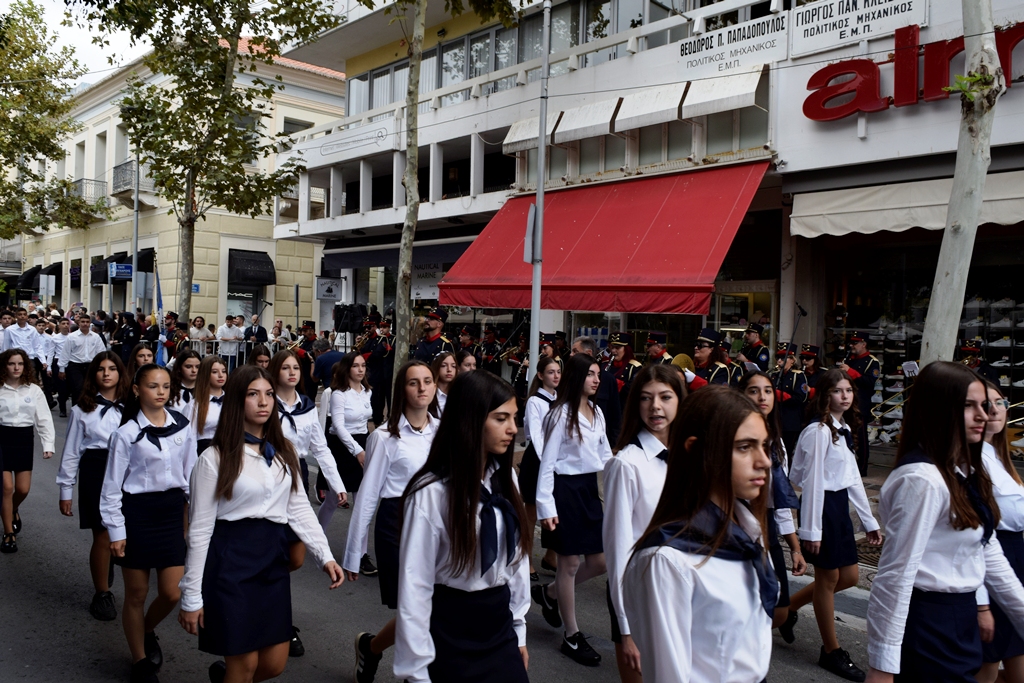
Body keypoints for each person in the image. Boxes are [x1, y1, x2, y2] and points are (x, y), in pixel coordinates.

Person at [177, 366, 343, 683]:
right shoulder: (214, 458)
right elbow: (199, 532)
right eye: (253, 394)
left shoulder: (285, 453)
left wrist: (325, 555)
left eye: (268, 394)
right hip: (230, 565)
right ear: (238, 401)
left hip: (272, 563)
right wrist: (191, 597)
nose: (264, 402)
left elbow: (299, 508)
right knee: (244, 666)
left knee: (275, 665)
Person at [866, 361, 1024, 683]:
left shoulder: (960, 471)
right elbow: (896, 574)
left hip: (958, 619)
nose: (984, 415)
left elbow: (987, 554)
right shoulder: (923, 479)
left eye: (984, 405)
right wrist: (881, 665)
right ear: (939, 408)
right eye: (969, 406)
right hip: (931, 623)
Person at [621, 386, 774, 683]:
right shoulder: (667, 561)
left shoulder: (746, 534)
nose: (764, 461)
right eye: (744, 447)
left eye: (764, 445)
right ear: (695, 449)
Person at [393, 370, 530, 683]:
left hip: (498, 625)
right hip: (450, 628)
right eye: (501, 418)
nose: (512, 429)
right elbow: (415, 587)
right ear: (471, 419)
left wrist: (519, 630)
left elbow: (517, 560)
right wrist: (416, 672)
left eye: (514, 417)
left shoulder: (505, 478)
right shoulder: (432, 492)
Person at [101, 364, 198, 683]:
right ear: (136, 390)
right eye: (153, 386)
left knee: (172, 592)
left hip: (170, 512)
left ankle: (147, 629)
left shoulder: (183, 426)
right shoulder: (126, 433)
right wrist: (116, 531)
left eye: (166, 386)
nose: (160, 392)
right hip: (138, 513)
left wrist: (194, 517)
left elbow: (191, 475)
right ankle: (140, 659)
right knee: (137, 593)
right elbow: (112, 486)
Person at [348, 360, 437, 683]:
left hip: (434, 525)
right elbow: (368, 495)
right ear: (402, 389)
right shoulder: (385, 436)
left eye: (428, 381)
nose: (423, 388)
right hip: (396, 525)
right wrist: (354, 554)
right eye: (414, 382)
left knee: (426, 610)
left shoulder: (443, 430)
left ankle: (371, 648)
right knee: (415, 613)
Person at [789, 368, 881, 681]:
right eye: (838, 390)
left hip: (838, 507)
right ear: (825, 395)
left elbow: (853, 478)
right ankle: (831, 650)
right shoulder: (818, 431)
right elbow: (809, 482)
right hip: (822, 507)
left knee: (850, 577)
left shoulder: (841, 428)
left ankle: (788, 609)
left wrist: (869, 521)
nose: (845, 396)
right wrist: (810, 531)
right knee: (828, 580)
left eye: (848, 390)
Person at [603, 365, 684, 683]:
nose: (656, 407)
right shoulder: (626, 464)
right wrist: (626, 628)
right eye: (647, 398)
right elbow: (617, 549)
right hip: (640, 594)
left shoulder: (687, 458)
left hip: (680, 590)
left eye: (666, 397)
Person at [534, 353, 612, 666]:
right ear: (577, 377)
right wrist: (545, 505)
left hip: (589, 492)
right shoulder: (560, 414)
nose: (596, 379)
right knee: (569, 564)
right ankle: (572, 634)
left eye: (598, 374)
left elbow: (607, 457)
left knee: (600, 562)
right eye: (591, 374)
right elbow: (548, 463)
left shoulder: (597, 411)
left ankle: (550, 593)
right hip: (564, 491)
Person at [271, 349, 346, 658]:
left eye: (296, 367)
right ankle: (281, 624)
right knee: (271, 556)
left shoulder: (307, 407)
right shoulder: (263, 403)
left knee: (295, 559)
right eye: (285, 367)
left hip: (297, 471)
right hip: (269, 472)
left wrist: (337, 484)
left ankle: (268, 599)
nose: (292, 372)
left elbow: (320, 447)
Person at [55, 351, 128, 619]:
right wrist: (65, 490)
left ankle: (115, 570)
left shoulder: (133, 407)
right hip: (96, 469)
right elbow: (72, 452)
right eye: (101, 369)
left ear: (121, 373)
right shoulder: (81, 409)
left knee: (124, 532)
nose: (107, 373)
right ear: (93, 374)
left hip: (128, 471)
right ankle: (102, 594)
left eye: (112, 368)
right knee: (103, 533)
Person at [739, 370, 808, 641]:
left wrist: (795, 547)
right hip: (736, 526)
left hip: (767, 527)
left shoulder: (777, 442)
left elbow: (779, 500)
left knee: (779, 610)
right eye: (753, 390)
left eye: (767, 390)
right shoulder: (729, 435)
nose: (762, 396)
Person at [977, 381, 1024, 683]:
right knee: (989, 666)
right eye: (985, 403)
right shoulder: (975, 457)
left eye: (1001, 402)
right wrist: (982, 603)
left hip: (1015, 560)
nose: (995, 409)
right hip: (995, 558)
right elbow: (977, 536)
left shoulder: (998, 454)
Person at [0, 349, 56, 554]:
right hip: (2, 439)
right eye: (11, 364)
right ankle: (8, 534)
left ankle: (12, 509)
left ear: (25, 367)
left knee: (22, 489)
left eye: (20, 364)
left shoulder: (33, 390)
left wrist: (48, 444)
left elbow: (43, 419)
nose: (16, 368)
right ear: (4, 366)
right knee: (6, 488)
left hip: (23, 439)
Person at [319, 352, 372, 529]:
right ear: (347, 369)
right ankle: (317, 540)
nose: (360, 369)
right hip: (341, 447)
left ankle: (360, 553)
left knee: (361, 502)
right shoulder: (338, 394)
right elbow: (338, 426)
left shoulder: (367, 391)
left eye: (363, 365)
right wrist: (357, 450)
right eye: (356, 366)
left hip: (363, 442)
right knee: (333, 500)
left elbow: (365, 422)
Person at [521, 355, 561, 581]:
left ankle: (551, 556)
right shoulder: (536, 402)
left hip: (558, 461)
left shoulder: (561, 400)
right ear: (540, 375)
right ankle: (525, 559)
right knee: (531, 513)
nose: (555, 376)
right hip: (539, 460)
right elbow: (536, 437)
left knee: (558, 510)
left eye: (557, 372)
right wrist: (548, 462)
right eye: (550, 372)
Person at [836, 331, 881, 476]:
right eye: (851, 343)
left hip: (860, 404)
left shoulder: (872, 362)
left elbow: (869, 382)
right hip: (846, 402)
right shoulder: (850, 358)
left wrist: (851, 372)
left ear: (864, 344)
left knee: (860, 437)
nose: (852, 346)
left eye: (855, 343)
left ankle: (862, 468)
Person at [570, 335, 622, 444]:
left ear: (588, 353)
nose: (571, 355)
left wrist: (614, 445)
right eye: (590, 375)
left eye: (575, 351)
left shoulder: (607, 380)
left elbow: (615, 417)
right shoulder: (569, 377)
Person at [59, 312, 108, 406]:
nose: (85, 324)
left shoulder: (95, 337)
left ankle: (89, 408)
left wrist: (103, 366)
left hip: (91, 365)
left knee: (91, 388)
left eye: (87, 322)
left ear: (90, 323)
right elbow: (65, 353)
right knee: (78, 388)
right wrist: (62, 368)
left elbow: (101, 352)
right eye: (83, 322)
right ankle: (76, 410)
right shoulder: (72, 337)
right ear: (79, 323)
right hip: (75, 365)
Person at [771, 342, 810, 457]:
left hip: (790, 420)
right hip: (776, 419)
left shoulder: (798, 375)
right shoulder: (774, 375)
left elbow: (801, 398)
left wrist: (780, 395)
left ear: (792, 360)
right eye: (778, 358)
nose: (779, 361)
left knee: (786, 452)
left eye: (783, 358)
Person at [190, 356, 228, 455]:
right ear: (205, 374)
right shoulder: (194, 405)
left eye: (224, 371)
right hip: (204, 453)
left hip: (228, 453)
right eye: (214, 372)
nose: (221, 375)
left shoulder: (233, 402)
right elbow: (190, 438)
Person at [604, 332, 643, 411]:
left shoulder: (635, 367)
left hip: (623, 410)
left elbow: (634, 390)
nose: (613, 351)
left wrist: (615, 384)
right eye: (612, 347)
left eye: (617, 348)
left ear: (627, 349)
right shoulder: (604, 365)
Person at [367, 317, 395, 424]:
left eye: (385, 327)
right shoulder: (378, 339)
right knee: (379, 398)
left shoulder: (393, 338)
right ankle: (379, 417)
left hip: (389, 372)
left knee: (390, 396)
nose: (383, 329)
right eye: (381, 327)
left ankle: (390, 416)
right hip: (379, 373)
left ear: (389, 328)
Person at [52, 317, 71, 417]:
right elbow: (51, 353)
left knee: (71, 387)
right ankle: (62, 409)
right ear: (59, 325)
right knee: (61, 387)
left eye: (67, 323)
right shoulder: (55, 338)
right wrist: (48, 367)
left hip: (70, 362)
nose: (65, 325)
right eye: (63, 323)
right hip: (58, 362)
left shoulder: (72, 337)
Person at [430, 351, 457, 416]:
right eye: (443, 365)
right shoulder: (429, 393)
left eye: (453, 366)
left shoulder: (459, 392)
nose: (449, 369)